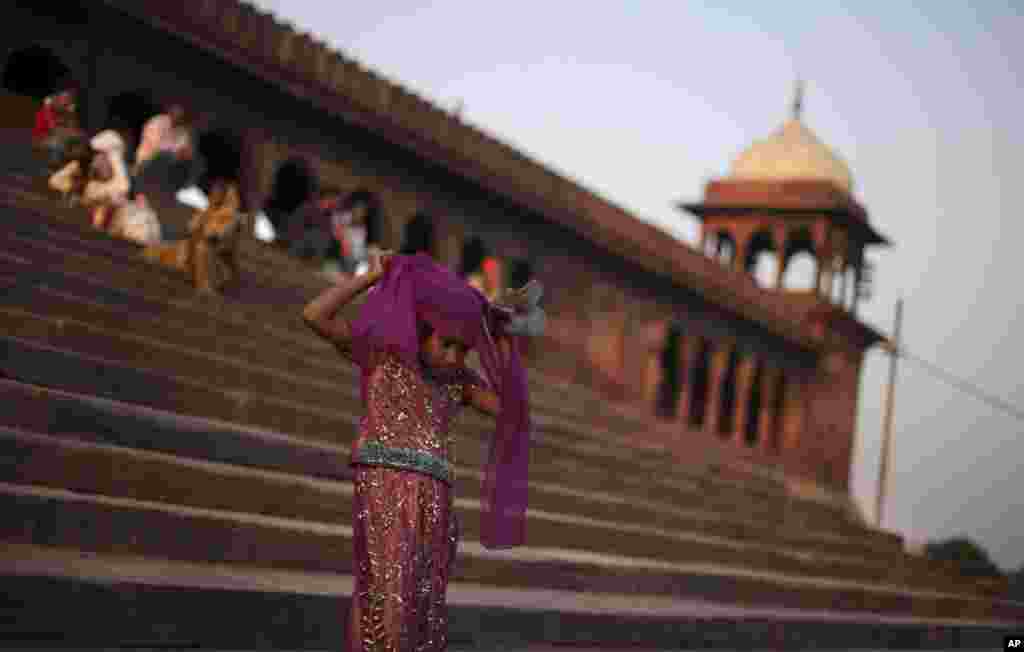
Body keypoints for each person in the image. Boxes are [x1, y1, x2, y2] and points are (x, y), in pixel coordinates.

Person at [302, 251, 537, 651]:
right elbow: (315, 315)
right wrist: (370, 277)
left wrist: (498, 340)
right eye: (446, 344)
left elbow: (512, 411)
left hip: (436, 501)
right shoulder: (383, 357)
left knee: (422, 600)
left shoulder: (458, 382)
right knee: (386, 588)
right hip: (385, 488)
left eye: (464, 349)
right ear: (420, 331)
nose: (454, 357)